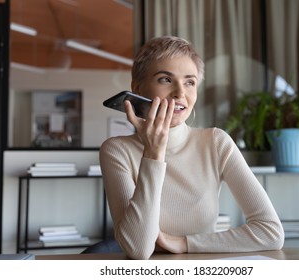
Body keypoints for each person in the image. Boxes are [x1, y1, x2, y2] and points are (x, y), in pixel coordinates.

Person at [99, 36, 284, 260]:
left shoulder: (216, 142)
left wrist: (184, 243)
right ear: (137, 89)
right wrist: (154, 153)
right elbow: (138, 249)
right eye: (166, 79)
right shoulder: (116, 150)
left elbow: (271, 232)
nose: (180, 93)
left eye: (190, 82)